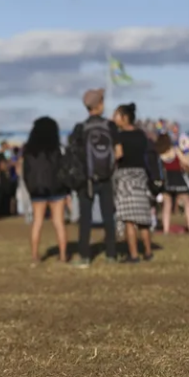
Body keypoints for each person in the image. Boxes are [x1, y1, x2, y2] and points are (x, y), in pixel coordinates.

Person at [69, 89, 121, 268]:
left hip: (87, 179)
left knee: (85, 218)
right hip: (106, 177)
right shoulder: (110, 126)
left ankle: (84, 256)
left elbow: (74, 154)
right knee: (108, 216)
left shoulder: (80, 128)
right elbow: (119, 152)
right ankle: (111, 254)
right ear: (100, 105)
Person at [22, 117, 68, 264]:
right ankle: (62, 255)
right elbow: (62, 170)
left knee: (37, 222)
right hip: (57, 189)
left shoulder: (30, 152)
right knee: (59, 222)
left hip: (37, 190)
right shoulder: (56, 150)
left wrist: (31, 189)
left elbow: (26, 173)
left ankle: (35, 256)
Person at [113, 103, 153, 262]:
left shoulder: (119, 136)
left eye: (115, 115)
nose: (113, 118)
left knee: (129, 219)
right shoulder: (141, 135)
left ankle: (134, 254)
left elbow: (119, 154)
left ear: (124, 117)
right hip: (141, 176)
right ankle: (148, 252)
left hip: (125, 177)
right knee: (143, 218)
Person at [155, 133, 189, 234]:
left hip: (167, 181)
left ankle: (166, 230)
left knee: (167, 205)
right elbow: (186, 162)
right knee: (187, 203)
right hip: (179, 179)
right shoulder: (175, 150)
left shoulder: (159, 153)